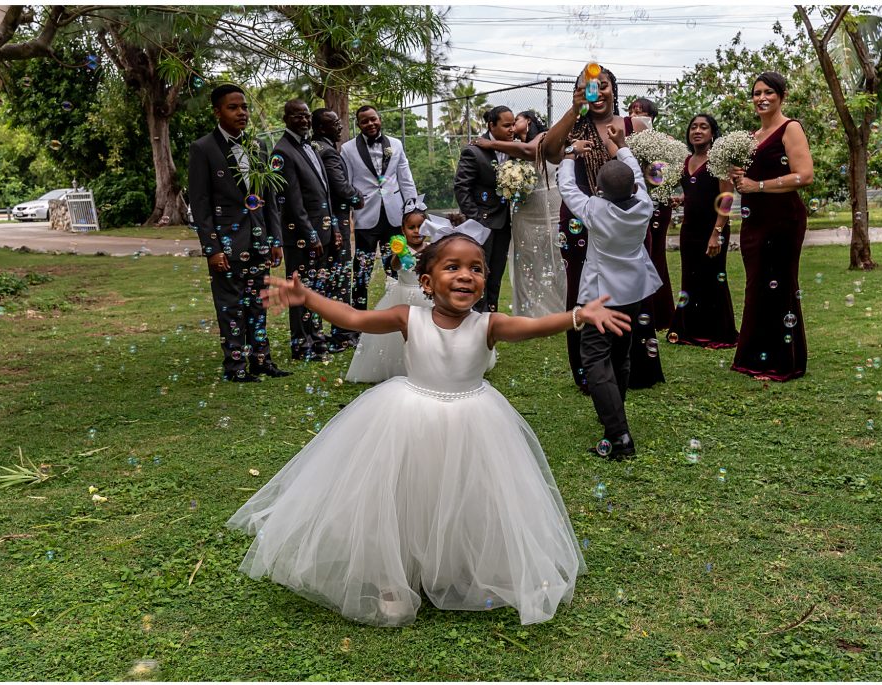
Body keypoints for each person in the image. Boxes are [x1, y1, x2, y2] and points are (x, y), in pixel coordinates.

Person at [229, 232, 631, 627]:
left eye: (475, 269)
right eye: (452, 267)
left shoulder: (488, 324)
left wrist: (579, 316)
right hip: (408, 418)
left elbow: (532, 326)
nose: (465, 275)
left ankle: (460, 566)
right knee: (403, 497)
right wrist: (308, 298)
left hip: (474, 422)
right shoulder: (409, 318)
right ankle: (391, 579)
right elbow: (354, 319)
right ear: (426, 282)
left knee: (468, 496)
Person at [542, 67, 664, 393]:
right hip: (580, 219)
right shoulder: (573, 125)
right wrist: (574, 109)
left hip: (627, 221)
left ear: (613, 88)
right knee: (582, 291)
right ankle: (591, 369)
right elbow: (549, 152)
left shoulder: (633, 126)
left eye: (603, 85)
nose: (597, 92)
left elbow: (651, 171)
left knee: (631, 286)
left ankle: (635, 368)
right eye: (587, 87)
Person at [558, 122, 661, 459]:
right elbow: (633, 173)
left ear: (599, 190)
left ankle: (618, 435)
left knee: (595, 358)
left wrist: (571, 154)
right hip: (633, 291)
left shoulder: (594, 209)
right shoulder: (644, 205)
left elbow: (568, 188)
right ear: (634, 188)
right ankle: (614, 421)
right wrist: (621, 147)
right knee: (621, 355)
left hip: (600, 297)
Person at [187, 84, 287, 382]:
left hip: (258, 239)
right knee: (231, 306)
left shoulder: (258, 147)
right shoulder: (203, 149)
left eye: (244, 106)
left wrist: (275, 238)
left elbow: (268, 198)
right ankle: (235, 366)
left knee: (258, 302)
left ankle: (261, 360)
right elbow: (200, 203)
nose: (242, 112)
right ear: (218, 112)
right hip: (227, 244)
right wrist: (212, 248)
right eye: (233, 107)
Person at [729, 71, 813, 381]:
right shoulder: (750, 138)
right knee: (757, 287)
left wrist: (758, 185)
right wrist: (739, 179)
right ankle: (755, 356)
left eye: (768, 92)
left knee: (778, 286)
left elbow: (804, 175)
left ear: (781, 96)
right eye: (756, 93)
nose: (761, 98)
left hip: (783, 219)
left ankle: (781, 362)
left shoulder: (790, 129)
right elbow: (747, 184)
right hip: (755, 220)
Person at [473, 109, 566, 317]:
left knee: (554, 257)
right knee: (526, 259)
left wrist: (489, 143)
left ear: (529, 121)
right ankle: (530, 311)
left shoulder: (544, 137)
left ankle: (559, 306)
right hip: (524, 210)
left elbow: (528, 151)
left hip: (549, 205)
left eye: (516, 121)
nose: (512, 126)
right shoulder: (510, 147)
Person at [268, 99, 334, 361]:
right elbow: (293, 202)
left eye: (307, 116)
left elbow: (322, 192)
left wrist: (332, 229)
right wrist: (311, 235)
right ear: (285, 119)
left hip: (322, 230)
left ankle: (316, 337)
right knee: (299, 289)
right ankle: (301, 344)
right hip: (301, 236)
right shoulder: (282, 152)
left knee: (316, 288)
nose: (304, 120)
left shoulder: (311, 146)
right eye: (297, 116)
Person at [667, 113, 739, 348]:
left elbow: (726, 199)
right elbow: (695, 191)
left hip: (713, 229)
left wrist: (716, 232)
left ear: (712, 133)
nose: (697, 131)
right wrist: (680, 199)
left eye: (704, 127)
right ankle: (689, 330)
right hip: (689, 230)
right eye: (693, 127)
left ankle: (717, 332)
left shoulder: (719, 161)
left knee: (712, 278)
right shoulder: (685, 161)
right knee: (690, 279)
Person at [340, 105, 418, 316]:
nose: (370, 124)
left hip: (394, 216)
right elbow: (346, 183)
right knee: (362, 271)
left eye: (373, 119)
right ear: (358, 125)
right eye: (364, 121)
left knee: (395, 266)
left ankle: (397, 313)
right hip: (366, 217)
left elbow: (406, 179)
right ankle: (358, 318)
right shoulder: (348, 149)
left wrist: (411, 209)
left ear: (379, 119)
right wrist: (348, 214)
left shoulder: (396, 144)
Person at [345, 208, 430, 383]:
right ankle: (400, 367)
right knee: (398, 337)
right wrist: (399, 253)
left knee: (426, 333)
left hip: (427, 297)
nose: (416, 231)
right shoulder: (401, 249)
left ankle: (429, 365)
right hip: (403, 296)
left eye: (420, 226)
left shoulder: (433, 249)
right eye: (411, 227)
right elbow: (395, 265)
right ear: (403, 230)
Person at [311, 107, 365, 352]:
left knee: (330, 277)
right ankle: (343, 333)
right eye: (335, 122)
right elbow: (341, 188)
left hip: (325, 221)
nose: (340, 126)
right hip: (336, 222)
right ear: (322, 128)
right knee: (340, 278)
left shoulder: (314, 148)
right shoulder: (329, 153)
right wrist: (358, 196)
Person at [453, 105, 516, 313]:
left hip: (505, 223)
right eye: (507, 125)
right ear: (491, 125)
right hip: (483, 224)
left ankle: (491, 319)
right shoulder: (474, 151)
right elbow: (462, 188)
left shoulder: (514, 149)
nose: (512, 129)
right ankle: (475, 319)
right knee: (480, 274)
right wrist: (477, 220)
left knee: (496, 275)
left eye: (513, 124)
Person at [625, 97, 675, 333]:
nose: (636, 114)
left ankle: (661, 314)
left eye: (641, 110)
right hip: (632, 202)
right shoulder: (623, 140)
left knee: (656, 255)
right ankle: (637, 311)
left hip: (657, 202)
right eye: (633, 110)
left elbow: (668, 171)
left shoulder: (662, 140)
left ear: (651, 115)